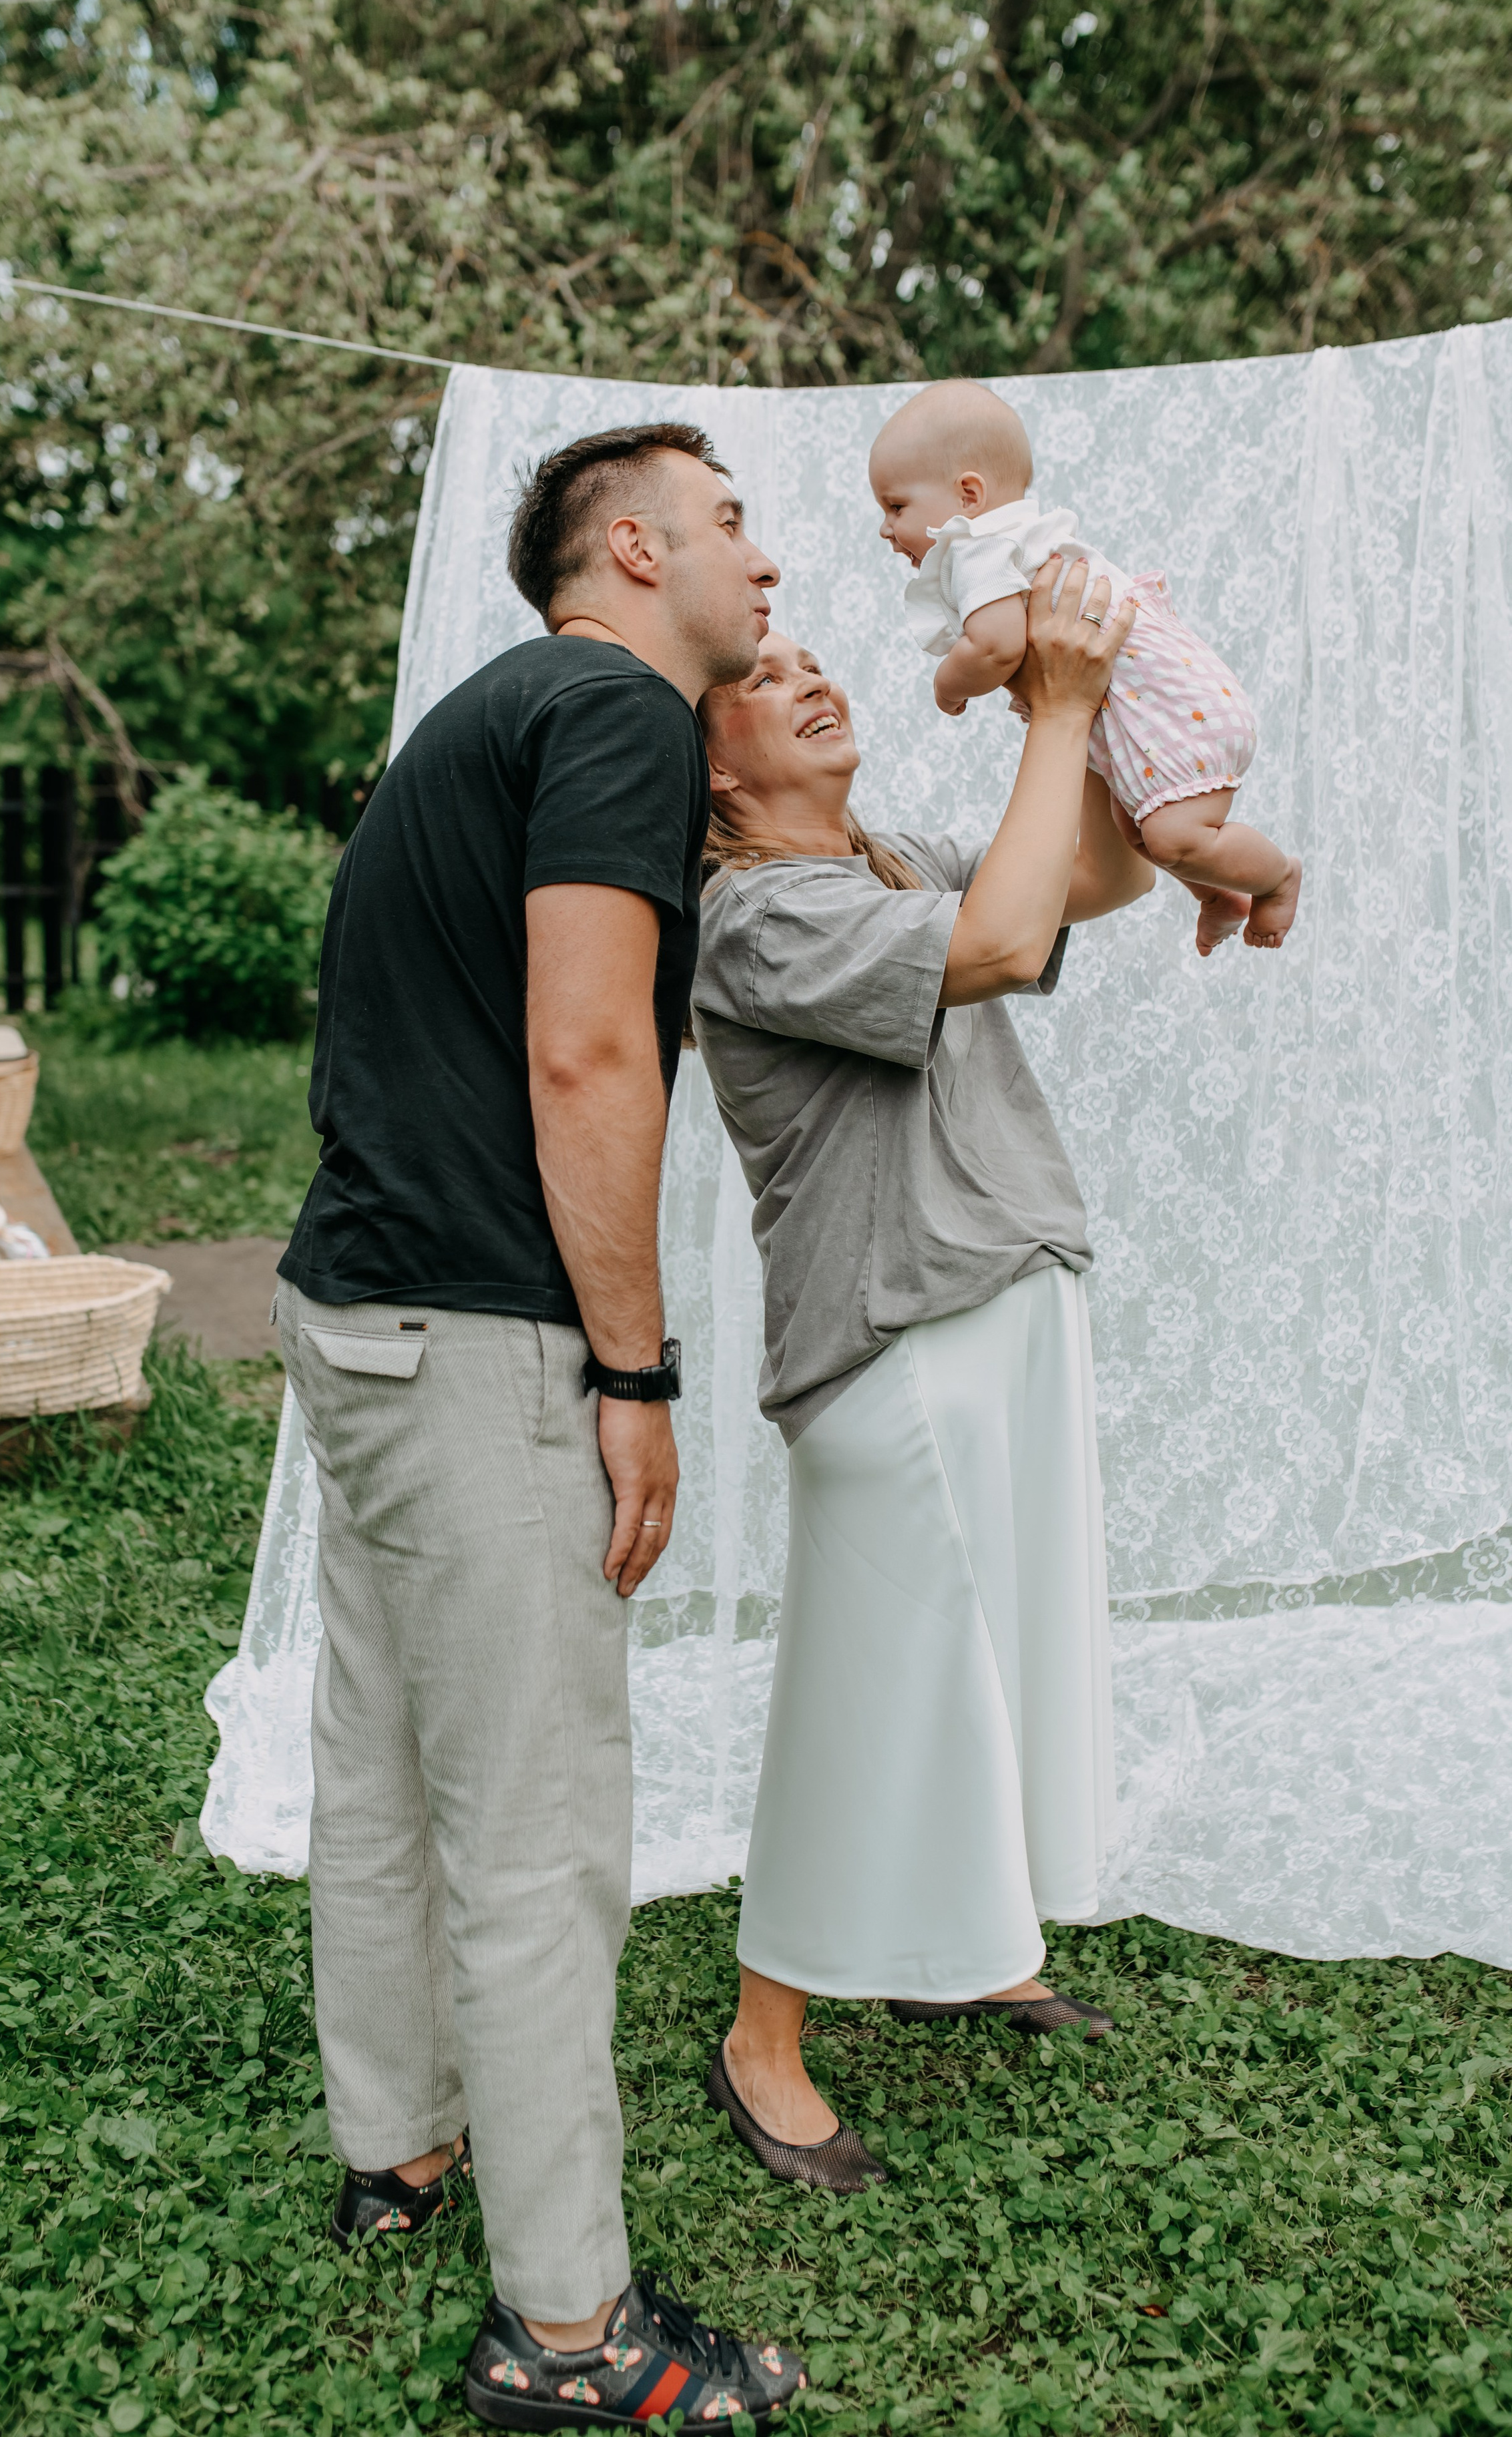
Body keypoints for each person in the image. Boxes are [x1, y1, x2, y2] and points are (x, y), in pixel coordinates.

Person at [275, 422, 808, 2429]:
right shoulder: (612, 707)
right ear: (632, 542)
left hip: (360, 1307)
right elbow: (586, 1043)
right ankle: (572, 2332)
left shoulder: (493, 708)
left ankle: (400, 2142)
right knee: (540, 1832)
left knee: (386, 1765)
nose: (764, 559)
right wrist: (637, 1372)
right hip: (478, 1334)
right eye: (736, 522)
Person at [688, 577, 1154, 2193]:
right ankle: (760, 2038)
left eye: (816, 657)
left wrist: (1056, 692)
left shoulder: (882, 854)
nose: (808, 676)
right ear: (717, 773)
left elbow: (1091, 872)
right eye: (765, 677)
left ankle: (963, 1938)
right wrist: (1054, 709)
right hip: (888, 1339)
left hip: (1000, 1292)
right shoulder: (753, 912)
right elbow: (1004, 938)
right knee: (868, 1693)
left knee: (999, 1659)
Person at [869, 378, 1302, 955]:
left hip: (1176, 712)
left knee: (1172, 836)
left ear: (968, 495)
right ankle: (1218, 893)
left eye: (895, 506)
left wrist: (948, 681)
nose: (884, 528)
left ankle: (1278, 878)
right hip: (1146, 714)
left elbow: (995, 647)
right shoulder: (1016, 541)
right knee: (1140, 833)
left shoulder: (979, 547)